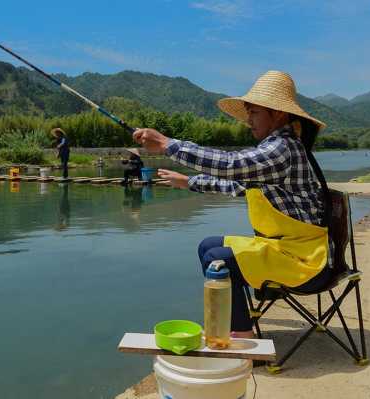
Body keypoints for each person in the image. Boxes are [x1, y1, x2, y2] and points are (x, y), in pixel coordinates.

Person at [133, 71, 333, 339]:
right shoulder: (280, 148)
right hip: (288, 249)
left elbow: (231, 165)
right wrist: (189, 182)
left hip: (306, 261)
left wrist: (169, 145)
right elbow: (238, 185)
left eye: (254, 113)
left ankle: (241, 335)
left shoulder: (281, 148)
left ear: (278, 114)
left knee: (218, 258)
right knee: (208, 246)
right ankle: (231, 319)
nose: (248, 121)